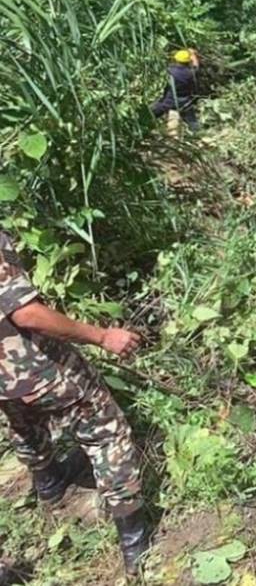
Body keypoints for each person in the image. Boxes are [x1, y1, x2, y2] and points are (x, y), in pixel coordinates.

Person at [0, 231, 151, 574]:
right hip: (37, 367)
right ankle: (134, 544)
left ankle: (50, 485)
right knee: (107, 433)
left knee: (22, 421)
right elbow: (26, 314)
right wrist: (102, 336)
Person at [150, 48, 200, 131]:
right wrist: (193, 54)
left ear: (176, 60)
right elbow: (196, 65)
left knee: (151, 114)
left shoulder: (169, 71)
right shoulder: (191, 73)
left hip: (168, 102)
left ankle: (142, 126)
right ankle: (197, 133)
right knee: (192, 122)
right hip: (184, 103)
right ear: (188, 61)